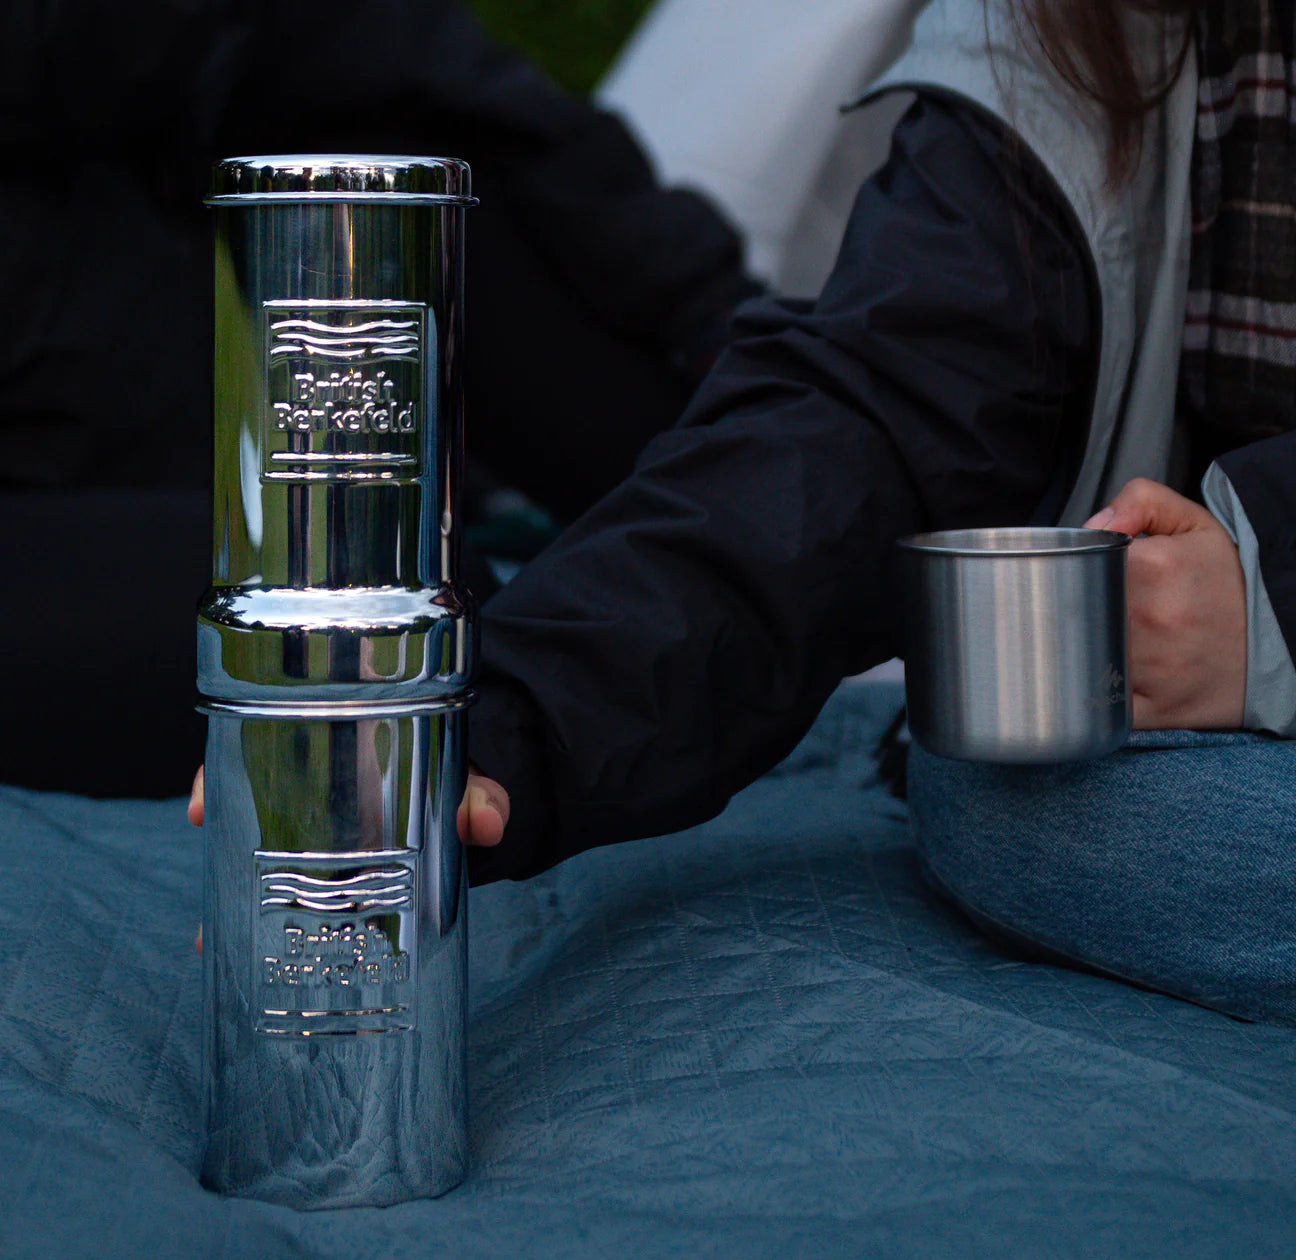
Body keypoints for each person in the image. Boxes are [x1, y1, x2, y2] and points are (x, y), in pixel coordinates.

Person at [194, 0, 1291, 1024]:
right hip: (1173, 711)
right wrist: (497, 719)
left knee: (1150, 838)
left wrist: (1271, 600)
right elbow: (876, 417)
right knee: (997, 779)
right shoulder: (1073, 23)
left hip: (1245, 667)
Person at [0, 0, 755, 796]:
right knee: (406, 629)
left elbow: (426, 65)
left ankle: (757, 518)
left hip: (176, 396)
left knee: (412, 183)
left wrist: (705, 308)